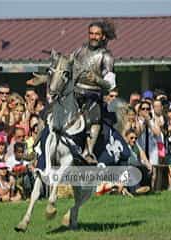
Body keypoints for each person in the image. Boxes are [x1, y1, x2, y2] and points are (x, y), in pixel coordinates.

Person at [27, 20, 117, 164]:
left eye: (97, 34)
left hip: (92, 96)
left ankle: (89, 152)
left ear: (103, 37)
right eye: (91, 33)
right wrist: (45, 78)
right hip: (73, 93)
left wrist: (96, 79)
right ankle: (34, 148)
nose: (93, 37)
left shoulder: (106, 57)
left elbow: (110, 84)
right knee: (47, 113)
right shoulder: (80, 51)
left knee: (94, 117)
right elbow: (65, 71)